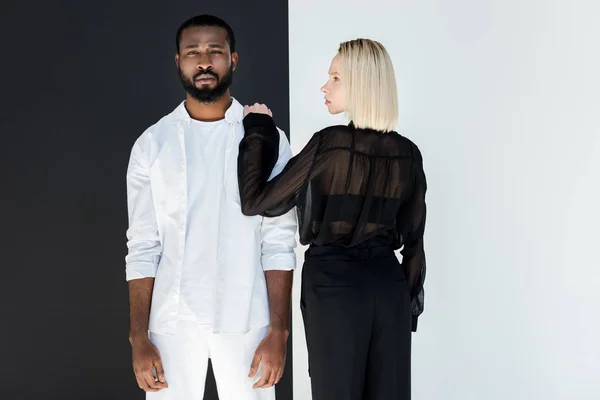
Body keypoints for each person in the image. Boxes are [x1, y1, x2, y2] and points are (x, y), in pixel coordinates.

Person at [238, 39, 427, 400]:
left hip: (335, 290)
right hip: (389, 292)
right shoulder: (408, 154)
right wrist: (403, 309)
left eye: (336, 77)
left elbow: (258, 201)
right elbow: (415, 245)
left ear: (361, 83)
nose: (325, 86)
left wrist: (259, 130)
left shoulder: (331, 144)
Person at [125, 14, 297, 400]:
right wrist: (139, 337)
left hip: (248, 319)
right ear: (178, 61)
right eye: (193, 52)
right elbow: (142, 247)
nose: (204, 62)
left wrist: (278, 332)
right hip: (170, 325)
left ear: (233, 60)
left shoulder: (265, 138)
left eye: (214, 52)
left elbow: (279, 241)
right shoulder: (152, 145)